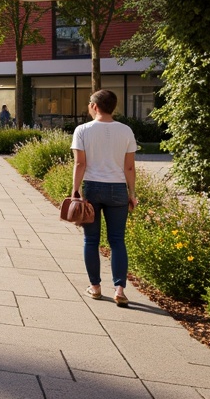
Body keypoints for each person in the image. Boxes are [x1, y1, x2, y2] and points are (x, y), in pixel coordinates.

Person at [71, 89, 138, 307]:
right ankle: (119, 290)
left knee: (91, 240)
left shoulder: (82, 130)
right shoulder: (126, 131)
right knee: (117, 240)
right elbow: (129, 166)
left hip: (92, 189)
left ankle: (96, 288)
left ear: (94, 106)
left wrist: (75, 190)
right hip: (118, 189)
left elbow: (80, 164)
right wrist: (132, 193)